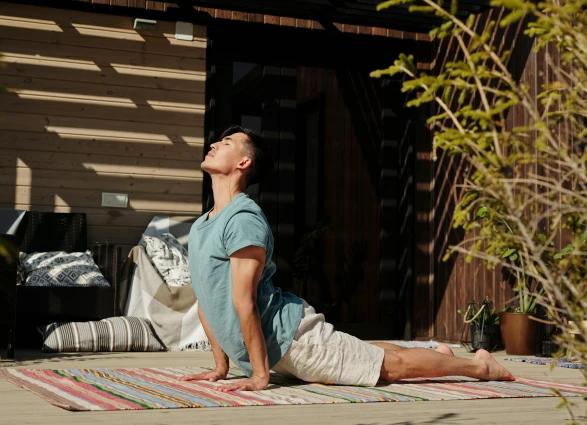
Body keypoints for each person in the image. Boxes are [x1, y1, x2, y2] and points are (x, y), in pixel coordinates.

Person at [180, 126, 515, 391]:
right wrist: (220, 366)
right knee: (359, 351)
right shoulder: (201, 226)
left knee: (385, 368)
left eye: (226, 142)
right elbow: (205, 300)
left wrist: (259, 375)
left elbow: (244, 300)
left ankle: (479, 366)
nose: (214, 144)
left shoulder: (242, 219)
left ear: (243, 163)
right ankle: (437, 355)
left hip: (292, 340)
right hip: (275, 348)